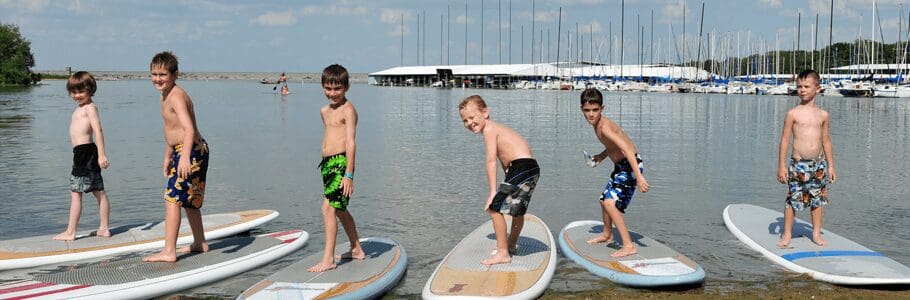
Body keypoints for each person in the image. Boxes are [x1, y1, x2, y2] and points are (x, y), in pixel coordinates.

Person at [143, 51, 211, 262]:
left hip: (190, 151)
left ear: (175, 74)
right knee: (190, 200)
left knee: (172, 199)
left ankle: (169, 251)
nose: (157, 79)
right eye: (153, 74)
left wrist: (183, 158)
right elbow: (171, 130)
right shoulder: (165, 95)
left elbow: (188, 130)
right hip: (186, 150)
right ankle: (199, 242)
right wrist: (168, 156)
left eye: (162, 74)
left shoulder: (177, 96)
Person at [458, 95, 541, 265]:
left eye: (472, 117)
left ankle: (503, 252)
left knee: (494, 207)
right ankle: (510, 245)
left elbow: (491, 161)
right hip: (530, 167)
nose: (469, 123)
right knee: (517, 211)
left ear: (485, 112)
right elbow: (510, 155)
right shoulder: (499, 128)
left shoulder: (489, 129)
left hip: (522, 167)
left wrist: (492, 192)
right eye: (465, 120)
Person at [308, 64, 365, 272]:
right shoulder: (324, 111)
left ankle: (328, 259)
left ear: (346, 87)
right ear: (323, 87)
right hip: (327, 165)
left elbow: (350, 143)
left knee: (328, 209)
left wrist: (349, 174)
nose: (332, 93)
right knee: (339, 209)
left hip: (341, 164)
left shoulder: (348, 111)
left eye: (337, 89)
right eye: (328, 88)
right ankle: (356, 248)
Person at [580, 88, 650, 258]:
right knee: (604, 201)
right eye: (587, 110)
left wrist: (639, 177)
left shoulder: (604, 127)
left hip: (630, 166)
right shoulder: (597, 125)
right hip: (621, 167)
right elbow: (613, 146)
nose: (591, 114)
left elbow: (627, 149)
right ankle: (607, 234)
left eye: (595, 110)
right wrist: (601, 157)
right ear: (581, 109)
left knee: (611, 204)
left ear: (602, 108)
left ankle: (628, 245)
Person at [776, 69, 836, 248]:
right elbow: (785, 140)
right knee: (792, 200)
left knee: (817, 200)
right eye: (799, 86)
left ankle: (816, 233)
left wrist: (831, 166)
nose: (802, 90)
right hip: (798, 165)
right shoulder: (793, 114)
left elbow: (826, 141)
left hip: (818, 165)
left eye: (806, 86)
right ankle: (787, 234)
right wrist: (781, 166)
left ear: (817, 89)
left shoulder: (823, 115)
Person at [53, 71, 112, 241]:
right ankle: (103, 229)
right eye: (73, 92)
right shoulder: (80, 108)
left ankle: (71, 232)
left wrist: (102, 155)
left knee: (77, 193)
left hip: (86, 154)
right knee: (97, 191)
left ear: (91, 90)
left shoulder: (90, 108)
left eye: (81, 92)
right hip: (81, 153)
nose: (77, 95)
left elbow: (98, 130)